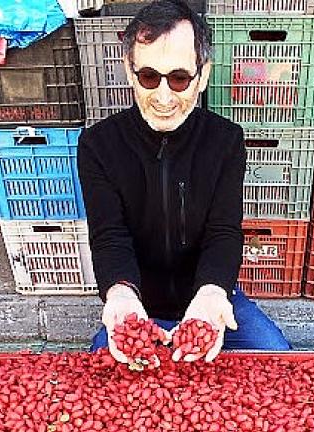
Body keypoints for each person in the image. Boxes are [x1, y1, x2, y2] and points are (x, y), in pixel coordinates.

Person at [77, 0, 290, 364]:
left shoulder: (225, 141)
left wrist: (212, 292)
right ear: (130, 72)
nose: (163, 97)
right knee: (104, 380)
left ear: (202, 75)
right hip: (139, 305)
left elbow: (223, 231)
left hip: (207, 300)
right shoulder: (98, 145)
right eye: (148, 77)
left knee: (277, 358)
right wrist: (121, 294)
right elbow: (109, 235)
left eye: (178, 78)